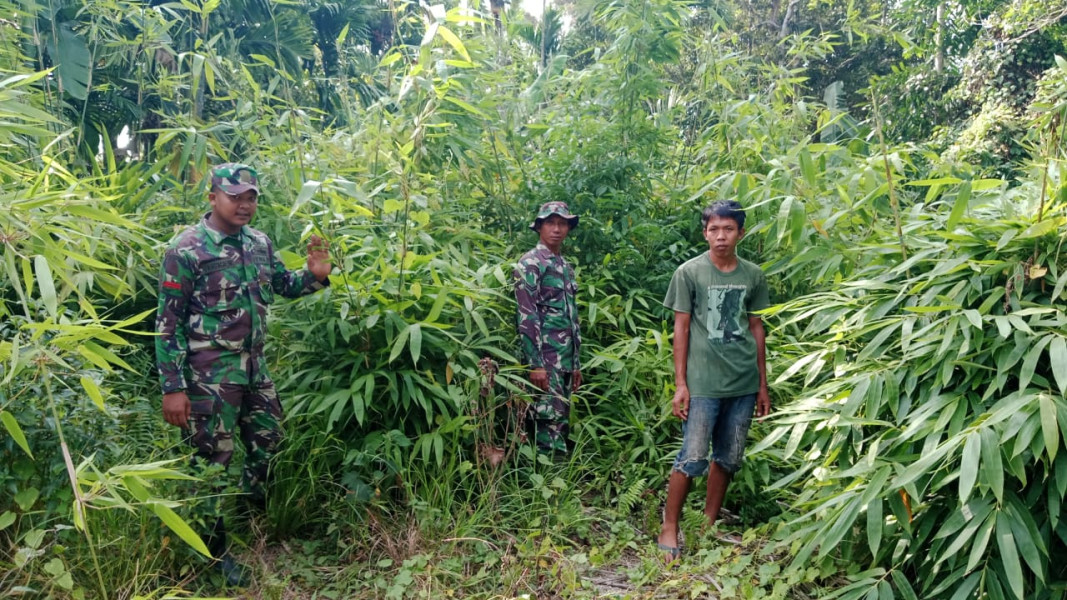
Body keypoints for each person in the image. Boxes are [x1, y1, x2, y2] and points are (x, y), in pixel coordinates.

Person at [155, 163, 331, 586]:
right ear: (212, 196)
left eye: (250, 196)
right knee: (212, 461)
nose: (245, 204)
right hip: (207, 375)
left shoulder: (259, 243)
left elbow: (282, 285)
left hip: (254, 367)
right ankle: (214, 556)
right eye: (235, 196)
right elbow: (167, 324)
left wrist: (315, 276)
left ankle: (252, 520)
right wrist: (172, 388)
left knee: (269, 441)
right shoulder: (186, 249)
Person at [656, 200, 771, 562]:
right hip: (703, 382)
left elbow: (757, 327)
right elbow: (681, 327)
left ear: (741, 232)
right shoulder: (690, 273)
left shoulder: (752, 275)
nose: (721, 237)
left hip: (743, 383)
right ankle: (669, 526)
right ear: (704, 232)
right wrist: (680, 383)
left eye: (729, 229)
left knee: (729, 457)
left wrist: (763, 385)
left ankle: (707, 525)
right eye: (714, 229)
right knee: (692, 456)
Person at [513, 201, 582, 455]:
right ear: (540, 227)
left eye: (562, 223)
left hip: (565, 360)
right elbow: (527, 316)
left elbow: (571, 317)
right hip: (545, 361)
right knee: (546, 421)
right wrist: (536, 364)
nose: (557, 229)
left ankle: (558, 484)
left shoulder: (565, 267)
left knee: (561, 420)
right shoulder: (531, 263)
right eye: (551, 223)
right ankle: (546, 486)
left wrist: (576, 364)